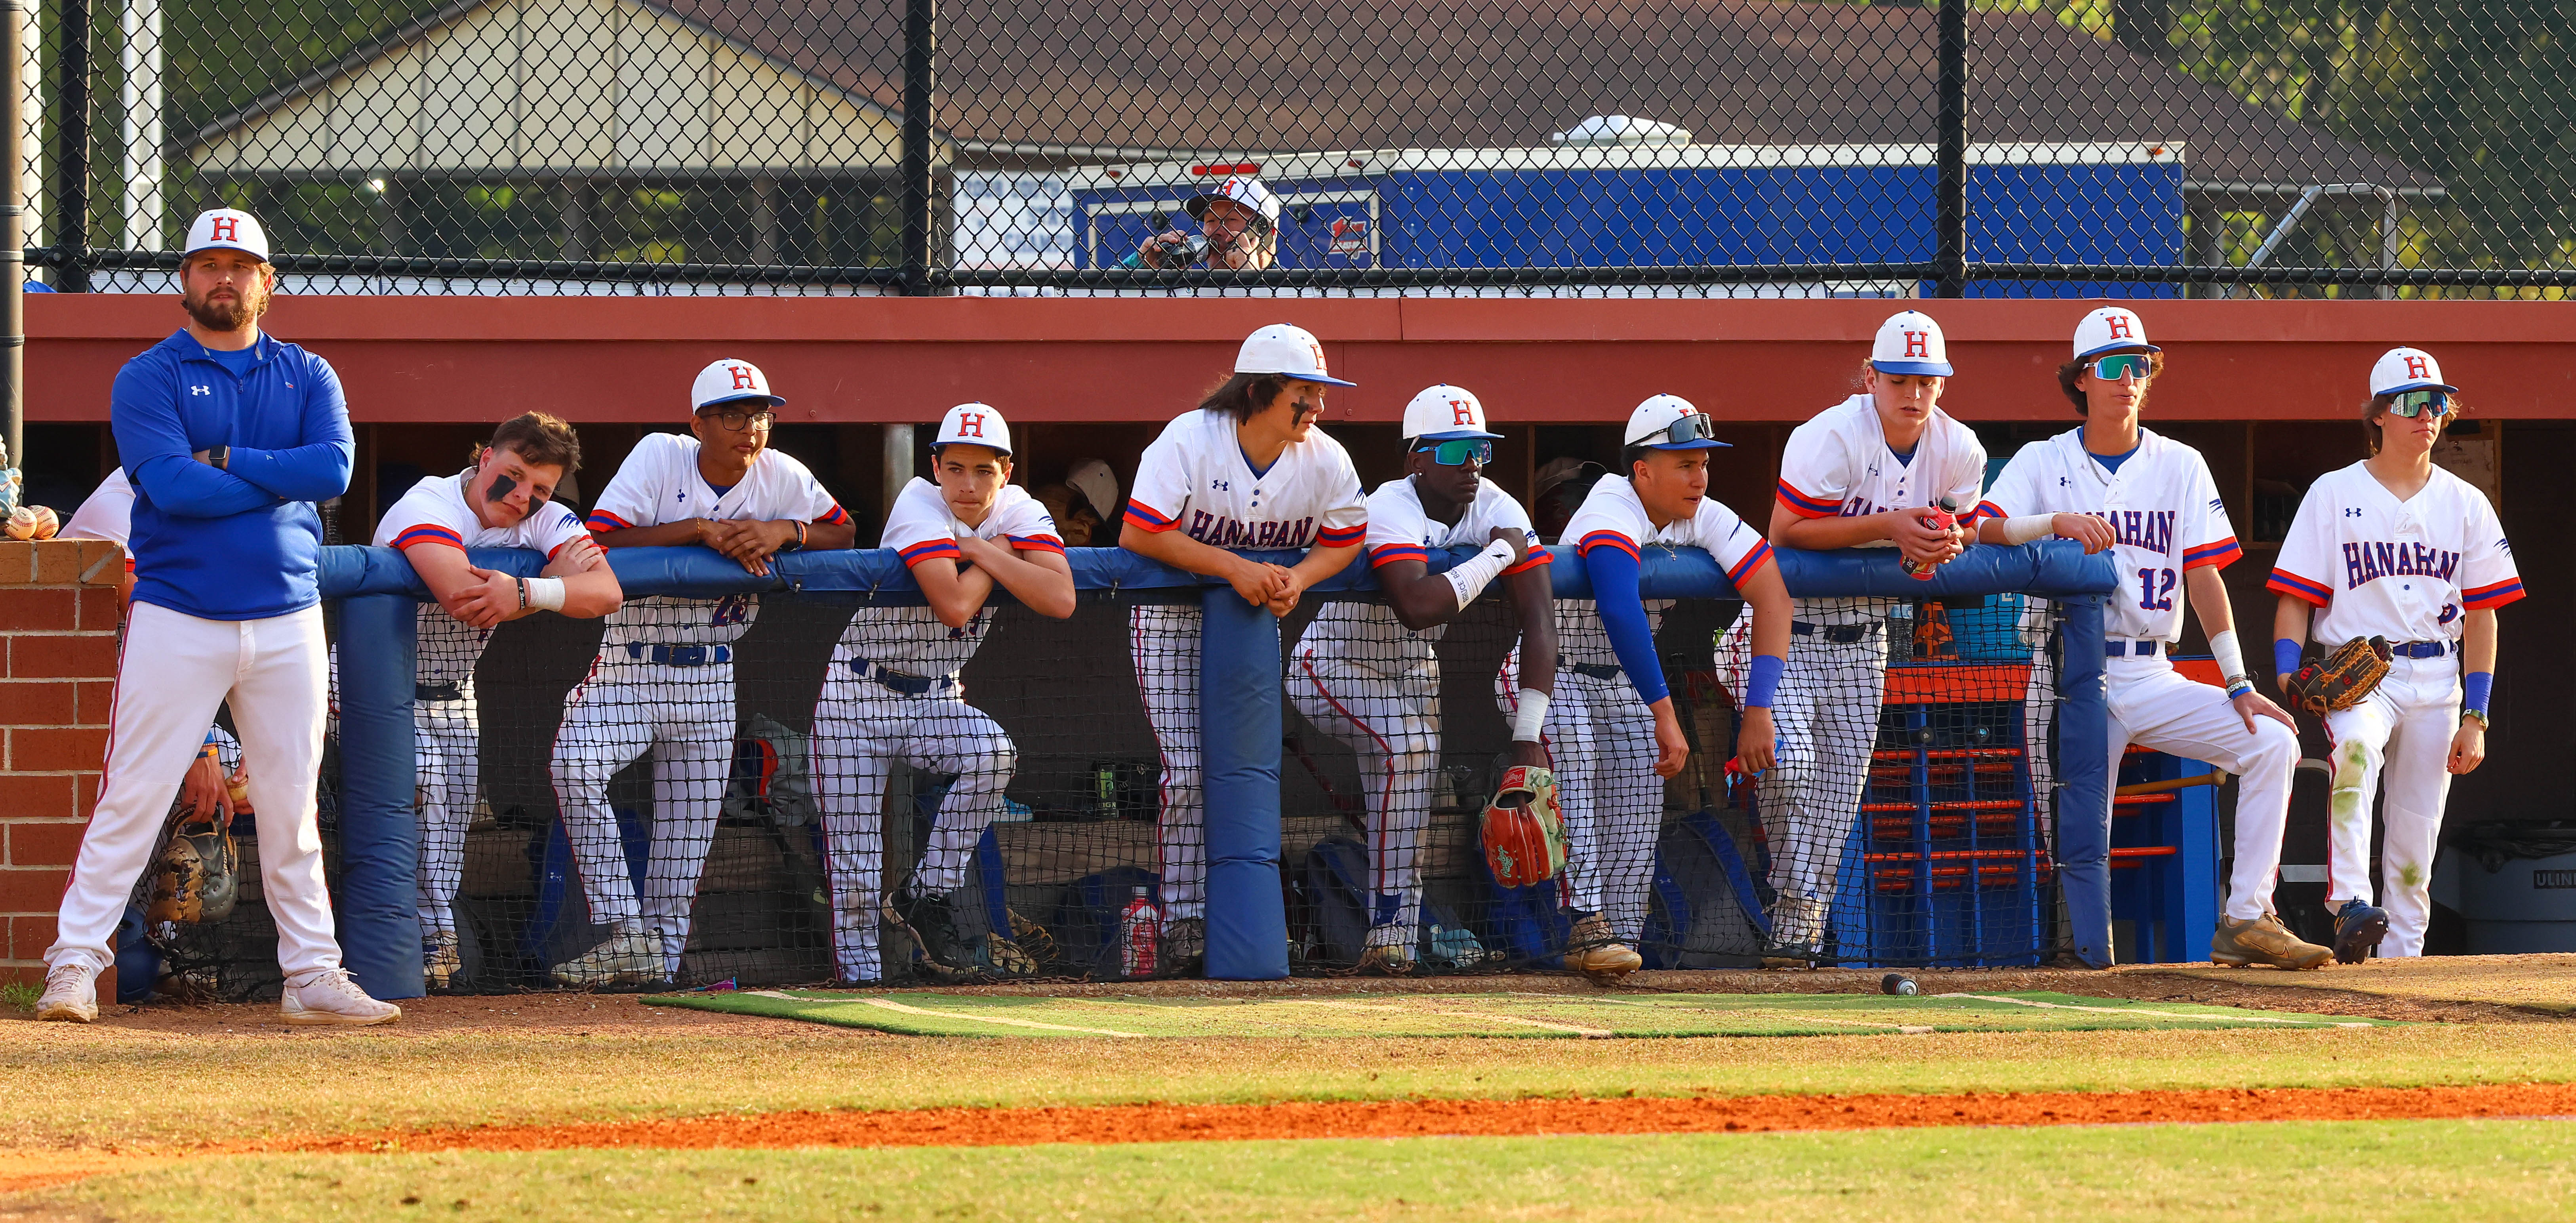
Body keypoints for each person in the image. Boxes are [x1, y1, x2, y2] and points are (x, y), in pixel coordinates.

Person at [38, 208, 398, 1025]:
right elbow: (170, 487)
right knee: (132, 792)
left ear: (268, 283)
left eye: (241, 265)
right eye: (208, 264)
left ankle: (311, 975)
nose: (224, 278)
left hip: (288, 616)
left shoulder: (309, 374)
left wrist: (231, 458)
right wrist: (278, 477)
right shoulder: (150, 375)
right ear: (185, 279)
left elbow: (334, 469)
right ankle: (72, 965)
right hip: (180, 613)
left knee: (290, 802)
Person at [1974, 307, 2318, 969]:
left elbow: (2205, 576)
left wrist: (2238, 682)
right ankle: (2078, 960)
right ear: (2079, 378)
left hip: (2151, 669)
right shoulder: (2042, 461)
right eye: (2110, 365)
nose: (2126, 378)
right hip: (2065, 672)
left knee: (2272, 740)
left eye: (2138, 365)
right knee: (2074, 839)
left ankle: (2246, 917)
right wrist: (2054, 520)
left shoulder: (2179, 464)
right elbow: (1981, 527)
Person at [549, 359, 855, 987]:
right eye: (734, 415)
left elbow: (844, 532)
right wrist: (698, 532)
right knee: (573, 766)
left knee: (684, 846)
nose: (752, 428)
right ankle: (625, 931)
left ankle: (657, 973)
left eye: (762, 414)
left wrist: (784, 530)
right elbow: (598, 541)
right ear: (699, 422)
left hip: (712, 676)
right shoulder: (661, 455)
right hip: (632, 666)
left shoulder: (780, 474)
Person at [1119, 323, 1367, 975]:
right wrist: (1231, 566)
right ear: (1258, 390)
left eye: (1320, 392)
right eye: (1304, 393)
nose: (1318, 406)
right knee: (1189, 772)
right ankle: (1183, 920)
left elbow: (1347, 538)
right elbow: (1140, 532)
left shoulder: (1324, 459)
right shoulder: (1189, 438)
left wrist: (1300, 579)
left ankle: (1228, 918)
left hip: (1253, 621)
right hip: (1169, 619)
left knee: (1248, 776)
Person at [1743, 309, 1986, 965]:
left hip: (1866, 637)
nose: (1912, 394)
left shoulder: (1958, 447)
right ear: (1870, 377)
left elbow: (1965, 527)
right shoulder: (1830, 436)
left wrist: (1943, 540)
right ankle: (1787, 898)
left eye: (1926, 381)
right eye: (1899, 378)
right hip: (1787, 630)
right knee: (1789, 768)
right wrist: (1887, 525)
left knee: (1834, 802)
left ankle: (1795, 938)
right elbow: (1785, 531)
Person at [1290, 385, 1556, 975]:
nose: (1471, 464)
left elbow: (1540, 619)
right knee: (1411, 749)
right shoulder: (1389, 504)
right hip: (1333, 665)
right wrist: (1495, 559)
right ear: (1416, 458)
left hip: (1413, 669)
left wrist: (1527, 734)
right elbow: (1416, 603)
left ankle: (1396, 944)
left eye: (1479, 450)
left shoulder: (1498, 506)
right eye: (1455, 449)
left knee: (1411, 794)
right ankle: (1388, 928)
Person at [2267, 347, 2519, 962]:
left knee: (2417, 828)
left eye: (2436, 403)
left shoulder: (2466, 502)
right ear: (2378, 415)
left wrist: (2477, 715)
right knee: (2353, 757)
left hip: (2439, 678)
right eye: (2410, 403)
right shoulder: (2334, 493)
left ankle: (2402, 962)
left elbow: (2483, 613)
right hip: (2362, 674)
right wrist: (2285, 668)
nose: (2426, 415)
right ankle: (2350, 902)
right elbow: (2296, 598)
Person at [815, 402, 1075, 983]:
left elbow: (1061, 600)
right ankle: (859, 988)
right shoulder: (918, 502)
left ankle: (925, 892)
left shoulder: (1020, 508)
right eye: (955, 467)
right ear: (936, 466)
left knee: (993, 753)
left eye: (984, 470)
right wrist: (1002, 556)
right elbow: (954, 606)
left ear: (1006, 471)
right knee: (855, 871)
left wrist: (980, 550)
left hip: (936, 697)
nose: (968, 483)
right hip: (857, 695)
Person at [371, 413, 624, 989]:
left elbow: (605, 591)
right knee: (425, 789)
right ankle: (427, 944)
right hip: (372, 690)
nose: (522, 497)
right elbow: (464, 597)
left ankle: (435, 946)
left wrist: (528, 589)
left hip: (456, 694)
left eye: (540, 489)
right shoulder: (428, 503)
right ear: (484, 458)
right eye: (512, 475)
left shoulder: (541, 515)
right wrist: (542, 591)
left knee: (450, 827)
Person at [1550, 394, 1792, 981]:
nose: (1699, 475)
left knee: (1638, 808)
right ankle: (1584, 920)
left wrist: (1759, 706)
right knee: (1577, 766)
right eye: (1684, 463)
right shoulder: (1610, 503)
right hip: (1552, 671)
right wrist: (1665, 710)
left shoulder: (1702, 512)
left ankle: (1617, 942)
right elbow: (1618, 606)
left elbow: (1773, 596)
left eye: (1703, 461)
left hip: (1622, 684)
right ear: (1643, 469)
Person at [61, 469, 252, 832]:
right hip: (81, 712)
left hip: (143, 703)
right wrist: (202, 749)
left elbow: (228, 629)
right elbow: (166, 644)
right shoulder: (117, 509)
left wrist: (259, 747)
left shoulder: (203, 506)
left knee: (239, 773)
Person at [1125, 176, 1279, 271]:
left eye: (1231, 220)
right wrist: (1142, 267)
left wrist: (1251, 279)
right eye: (1210, 221)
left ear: (1266, 232)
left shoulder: (1297, 289)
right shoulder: (1189, 289)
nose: (1214, 231)